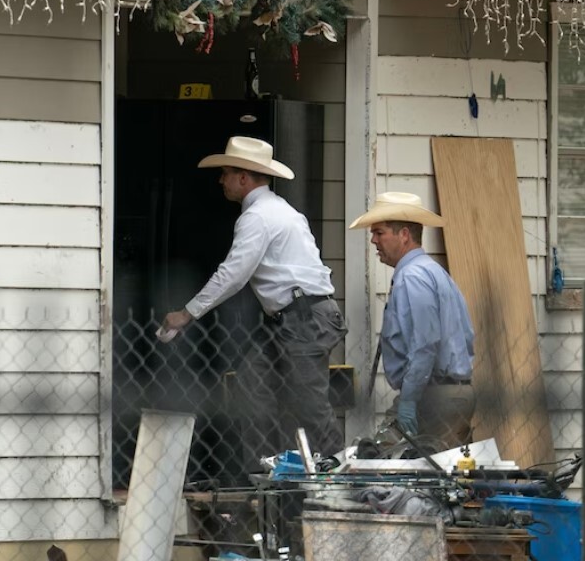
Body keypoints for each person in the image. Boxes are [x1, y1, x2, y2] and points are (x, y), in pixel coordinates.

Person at [160, 136, 346, 459]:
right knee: (252, 385)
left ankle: (340, 479)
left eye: (226, 173)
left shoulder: (258, 217)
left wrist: (187, 313)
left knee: (310, 408)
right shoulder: (277, 210)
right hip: (292, 318)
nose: (221, 180)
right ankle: (267, 477)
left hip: (302, 318)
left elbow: (234, 274)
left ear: (243, 178)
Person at [350, 191, 476, 453]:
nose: (373, 240)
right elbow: (466, 337)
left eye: (380, 232)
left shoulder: (413, 277)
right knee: (447, 476)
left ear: (404, 235)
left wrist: (409, 400)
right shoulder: (434, 271)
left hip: (431, 396)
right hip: (451, 392)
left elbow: (425, 345)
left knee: (388, 462)